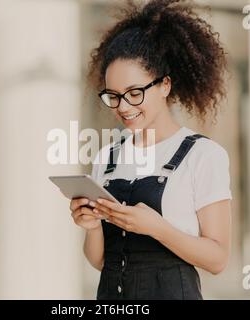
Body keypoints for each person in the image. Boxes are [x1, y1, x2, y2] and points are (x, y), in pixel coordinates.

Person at [70, 0, 232, 300]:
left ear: (164, 85)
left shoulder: (203, 155)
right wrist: (91, 226)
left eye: (134, 93)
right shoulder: (107, 158)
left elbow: (218, 259)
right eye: (113, 97)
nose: (124, 107)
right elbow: (101, 261)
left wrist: (158, 228)